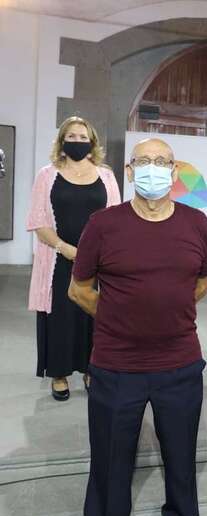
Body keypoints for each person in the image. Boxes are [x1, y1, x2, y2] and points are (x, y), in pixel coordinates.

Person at [69, 138, 207, 516]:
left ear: (174, 171)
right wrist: (121, 318)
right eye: (145, 161)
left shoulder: (197, 223)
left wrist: (166, 312)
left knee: (182, 461)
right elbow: (78, 289)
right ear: (130, 171)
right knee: (110, 462)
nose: (154, 168)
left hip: (180, 364)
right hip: (116, 366)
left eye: (162, 161)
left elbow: (201, 283)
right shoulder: (103, 224)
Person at [26, 116, 121, 401]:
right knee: (61, 317)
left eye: (83, 137)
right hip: (58, 257)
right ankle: (59, 373)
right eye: (72, 136)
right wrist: (64, 247)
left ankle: (92, 368)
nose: (77, 141)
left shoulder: (105, 175)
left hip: (98, 261)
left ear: (91, 142)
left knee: (94, 316)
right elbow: (38, 221)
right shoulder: (47, 174)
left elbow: (115, 218)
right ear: (62, 142)